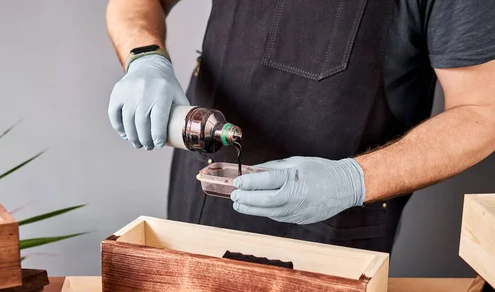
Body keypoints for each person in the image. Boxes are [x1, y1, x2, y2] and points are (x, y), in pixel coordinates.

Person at [105, 0, 495, 253]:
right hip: (201, 205)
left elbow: (483, 111)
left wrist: (351, 179)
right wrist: (144, 57)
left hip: (329, 237)